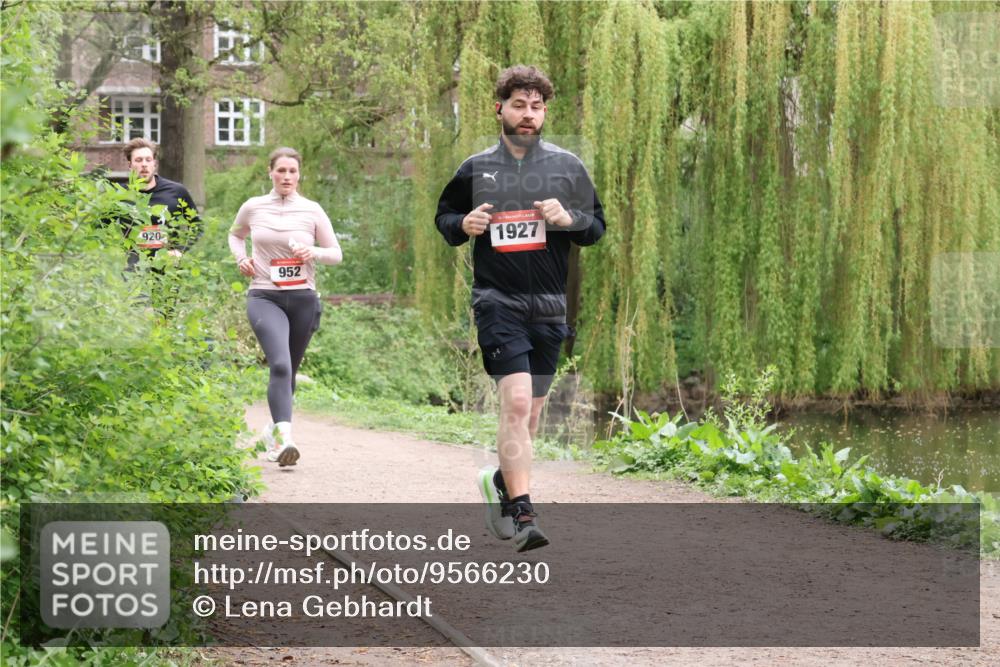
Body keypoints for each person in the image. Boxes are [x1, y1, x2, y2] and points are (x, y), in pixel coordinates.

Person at [435, 65, 606, 551]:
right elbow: (444, 216)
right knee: (513, 404)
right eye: (519, 105)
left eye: (536, 106)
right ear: (500, 109)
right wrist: (462, 224)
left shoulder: (567, 167)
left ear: (544, 112)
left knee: (529, 418)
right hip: (497, 302)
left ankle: (500, 482)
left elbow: (595, 227)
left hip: (549, 308)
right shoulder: (475, 168)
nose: (528, 114)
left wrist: (568, 218)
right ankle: (526, 514)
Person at [228, 147, 342, 467]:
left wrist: (313, 252)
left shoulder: (312, 210)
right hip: (264, 296)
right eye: (281, 170)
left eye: (292, 171)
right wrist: (241, 259)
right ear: (270, 172)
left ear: (299, 174)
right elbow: (235, 235)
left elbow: (336, 253)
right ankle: (284, 440)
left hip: (303, 298)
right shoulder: (253, 206)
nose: (287, 177)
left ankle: (272, 431)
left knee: (289, 369)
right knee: (279, 365)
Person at [119, 138, 202, 270]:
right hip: (132, 272)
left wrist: (180, 250)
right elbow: (101, 230)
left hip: (168, 270)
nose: (144, 164)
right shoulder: (119, 196)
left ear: (155, 163)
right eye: (138, 160)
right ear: (130, 165)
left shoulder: (176, 191)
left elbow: (197, 226)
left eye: (148, 160)